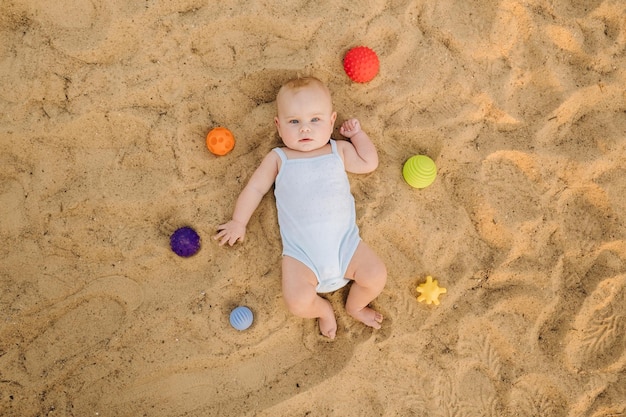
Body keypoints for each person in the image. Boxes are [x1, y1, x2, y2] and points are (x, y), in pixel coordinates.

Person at [214, 76, 386, 339]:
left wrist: (357, 135)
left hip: (347, 247)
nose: (305, 129)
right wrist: (239, 221)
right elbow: (255, 188)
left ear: (331, 122)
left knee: (376, 275)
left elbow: (368, 162)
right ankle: (323, 310)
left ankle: (355, 305)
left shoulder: (337, 151)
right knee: (296, 302)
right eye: (294, 122)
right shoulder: (279, 158)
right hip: (301, 257)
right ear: (279, 126)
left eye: (315, 120)